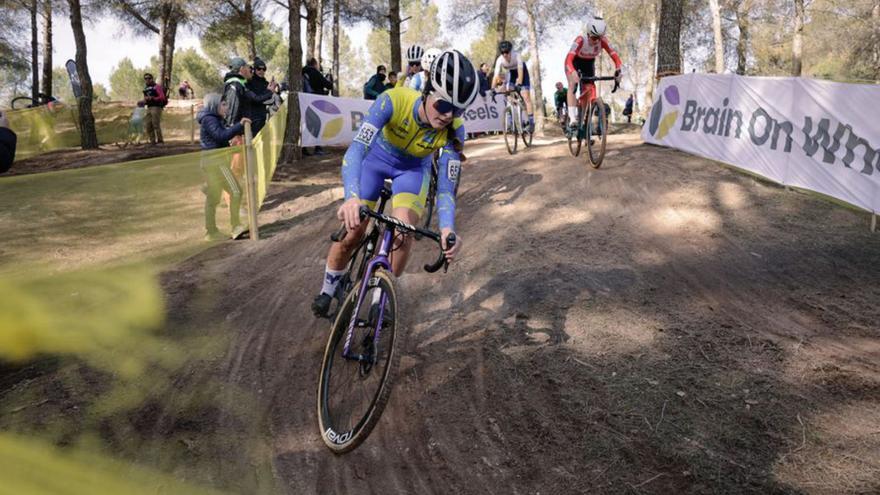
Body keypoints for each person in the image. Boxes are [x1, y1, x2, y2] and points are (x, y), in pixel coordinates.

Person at [311, 50, 479, 318]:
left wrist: (448, 228)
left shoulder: (454, 131)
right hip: (375, 162)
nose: (448, 115)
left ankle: (382, 296)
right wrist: (351, 197)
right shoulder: (392, 99)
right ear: (426, 91)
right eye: (443, 105)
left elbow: (447, 188)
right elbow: (356, 150)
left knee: (404, 232)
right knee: (354, 231)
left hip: (412, 171)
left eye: (457, 109)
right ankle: (329, 286)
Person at [197, 93, 251, 240]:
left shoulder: (213, 118)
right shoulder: (210, 119)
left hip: (212, 163)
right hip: (216, 163)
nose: (226, 107)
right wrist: (239, 125)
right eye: (223, 104)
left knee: (213, 198)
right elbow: (221, 136)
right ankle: (235, 226)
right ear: (215, 105)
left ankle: (211, 232)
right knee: (236, 191)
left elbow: (219, 139)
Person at [564, 16, 622, 136]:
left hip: (588, 63)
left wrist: (618, 70)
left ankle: (584, 121)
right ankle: (572, 118)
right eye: (594, 37)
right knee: (572, 84)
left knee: (589, 90)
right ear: (588, 33)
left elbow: (616, 58)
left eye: (599, 38)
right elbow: (569, 59)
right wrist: (573, 72)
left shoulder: (603, 41)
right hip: (573, 62)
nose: (597, 41)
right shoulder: (580, 40)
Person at [492, 41, 535, 133]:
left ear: (510, 51)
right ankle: (512, 120)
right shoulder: (500, 60)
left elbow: (520, 71)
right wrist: (493, 89)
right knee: (508, 92)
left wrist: (519, 84)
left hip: (522, 72)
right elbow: (495, 76)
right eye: (503, 53)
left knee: (526, 96)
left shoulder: (517, 56)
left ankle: (531, 122)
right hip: (511, 73)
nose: (505, 54)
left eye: (507, 52)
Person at [246, 57, 276, 135]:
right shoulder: (249, 82)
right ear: (254, 70)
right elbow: (256, 99)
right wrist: (269, 91)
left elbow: (269, 99)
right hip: (252, 119)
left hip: (263, 118)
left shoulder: (266, 83)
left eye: (264, 69)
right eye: (259, 69)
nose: (261, 71)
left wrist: (273, 90)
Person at [139, 73, 167, 145]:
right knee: (148, 125)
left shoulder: (156, 87)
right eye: (145, 78)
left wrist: (153, 98)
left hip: (156, 107)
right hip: (149, 107)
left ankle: (160, 141)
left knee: (155, 124)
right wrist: (142, 102)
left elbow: (162, 97)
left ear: (152, 79)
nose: (147, 80)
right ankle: (152, 141)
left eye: (149, 78)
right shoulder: (145, 89)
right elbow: (145, 99)